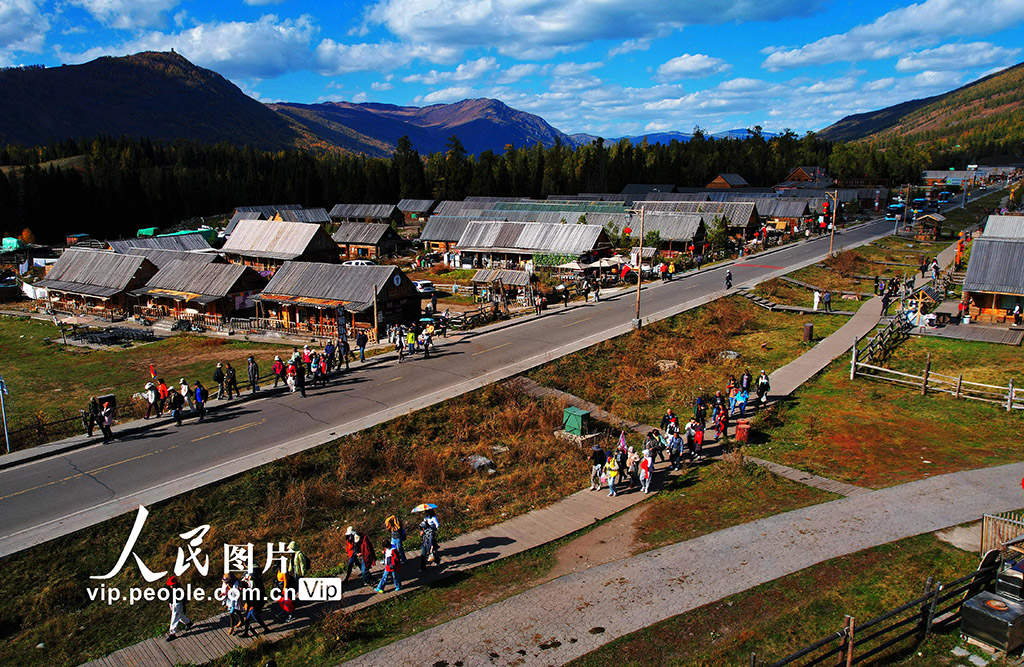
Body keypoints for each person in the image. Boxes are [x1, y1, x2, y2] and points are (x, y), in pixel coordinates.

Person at [240, 570, 270, 637]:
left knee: (255, 617)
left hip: (253, 606)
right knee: (248, 619)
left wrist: (247, 611)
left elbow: (249, 603)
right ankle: (246, 632)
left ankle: (266, 629)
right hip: (253, 605)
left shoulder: (247, 593)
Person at [165, 576, 192, 641]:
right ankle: (188, 622)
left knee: (175, 617)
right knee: (178, 615)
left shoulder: (179, 589)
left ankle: (172, 633)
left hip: (177, 603)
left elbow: (182, 597)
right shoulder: (168, 587)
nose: (171, 586)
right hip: (171, 603)